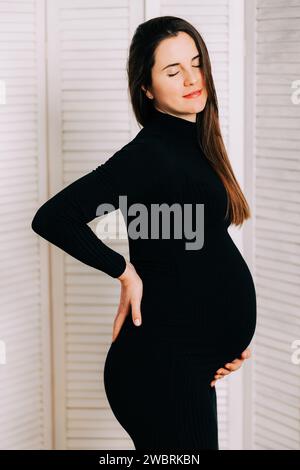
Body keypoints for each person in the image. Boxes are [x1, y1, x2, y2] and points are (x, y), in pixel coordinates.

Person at [31, 16, 256, 450]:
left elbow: (194, 255)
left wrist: (226, 342)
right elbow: (54, 217)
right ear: (146, 88)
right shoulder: (150, 152)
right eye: (173, 71)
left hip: (188, 363)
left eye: (196, 63)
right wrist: (124, 272)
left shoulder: (194, 142)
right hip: (160, 367)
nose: (193, 79)